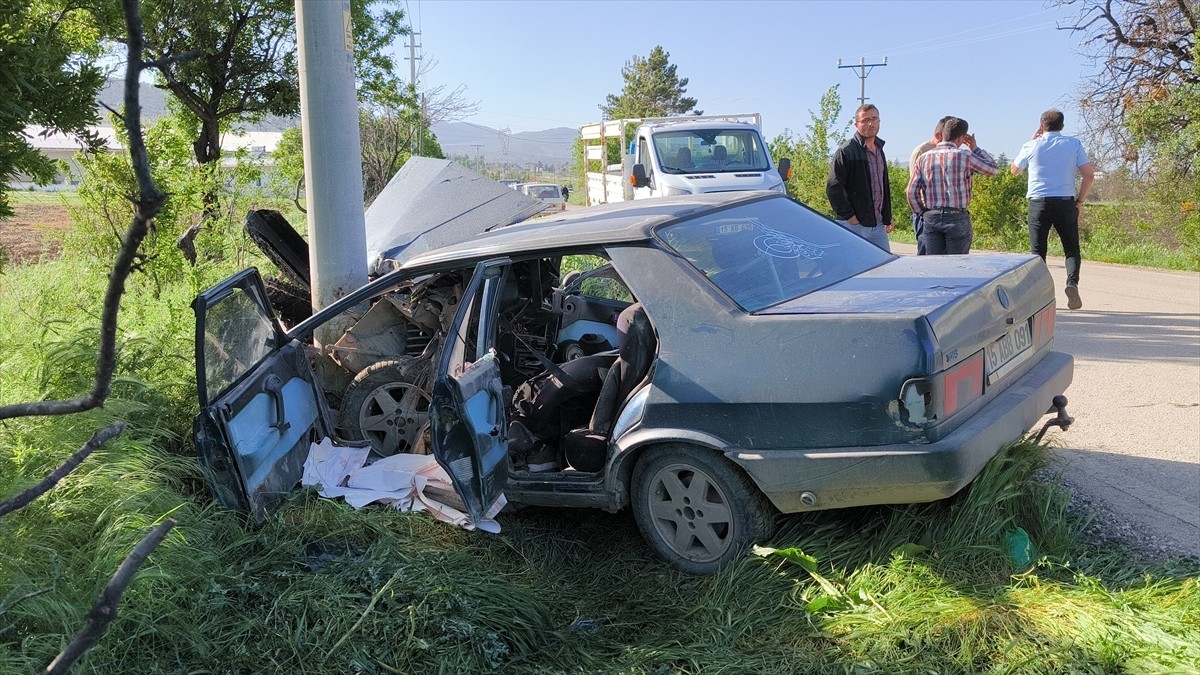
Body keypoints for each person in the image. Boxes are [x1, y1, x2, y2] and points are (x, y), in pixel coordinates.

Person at [1010, 109, 1094, 310]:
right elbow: (1089, 175)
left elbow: (1014, 171)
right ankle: (1072, 283)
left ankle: (1040, 292)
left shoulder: (1031, 145)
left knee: (1038, 250)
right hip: (1065, 202)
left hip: (1038, 202)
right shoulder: (1073, 144)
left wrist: (1033, 140)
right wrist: (1079, 201)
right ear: (1062, 126)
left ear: (1041, 125)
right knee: (1071, 248)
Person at [905, 117, 998, 255]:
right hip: (957, 217)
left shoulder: (923, 158)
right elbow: (993, 169)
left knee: (934, 263)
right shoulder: (965, 156)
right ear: (961, 138)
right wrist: (975, 148)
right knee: (957, 263)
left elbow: (911, 192)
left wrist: (922, 213)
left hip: (932, 216)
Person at [826, 104, 894, 252]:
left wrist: (887, 216)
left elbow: (882, 187)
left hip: (878, 225)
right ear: (856, 124)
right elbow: (833, 188)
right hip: (854, 225)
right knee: (855, 265)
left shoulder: (879, 150)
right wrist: (851, 217)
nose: (871, 123)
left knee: (885, 264)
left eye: (874, 119)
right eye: (865, 120)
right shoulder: (846, 151)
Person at [908, 116, 954, 255]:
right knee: (927, 256)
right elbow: (914, 187)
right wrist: (923, 213)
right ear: (938, 135)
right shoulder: (922, 151)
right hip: (926, 213)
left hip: (947, 214)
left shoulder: (951, 152)